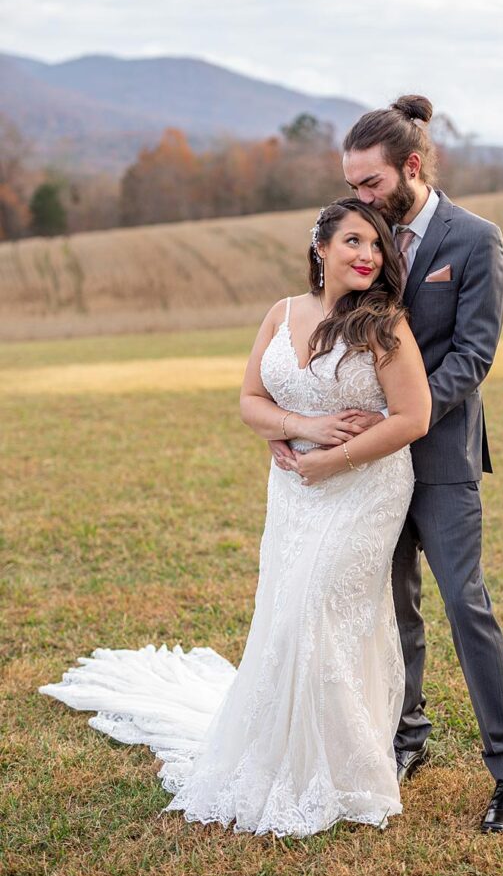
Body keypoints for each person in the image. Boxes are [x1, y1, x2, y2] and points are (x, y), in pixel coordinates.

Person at [38, 198, 432, 838]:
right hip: (293, 490)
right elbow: (251, 399)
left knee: (319, 608)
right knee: (285, 609)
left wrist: (334, 460)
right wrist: (297, 428)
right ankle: (278, 749)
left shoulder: (383, 325)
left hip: (364, 486)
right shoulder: (282, 314)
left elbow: (413, 419)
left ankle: (345, 766)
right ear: (321, 248)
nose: (368, 256)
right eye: (355, 242)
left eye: (378, 247)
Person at [270, 95, 503, 833]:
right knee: (391, 608)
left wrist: (396, 416)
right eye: (352, 186)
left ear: (409, 168)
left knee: (463, 605)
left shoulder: (475, 240)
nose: (357, 199)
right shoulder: (365, 241)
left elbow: (473, 356)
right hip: (366, 471)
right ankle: (403, 737)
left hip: (441, 454)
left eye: (368, 184)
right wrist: (300, 420)